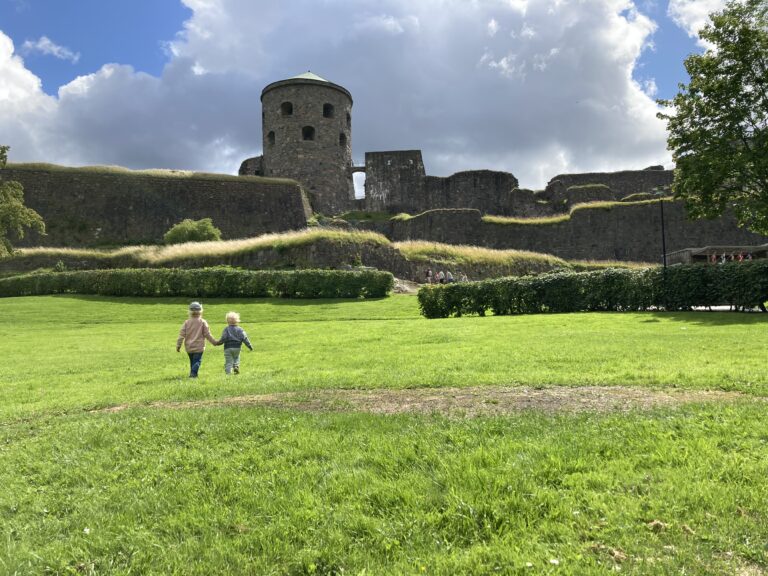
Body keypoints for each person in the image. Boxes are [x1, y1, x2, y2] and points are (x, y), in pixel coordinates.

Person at [176, 301, 218, 378]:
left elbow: (181, 335)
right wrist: (214, 342)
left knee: (192, 361)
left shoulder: (187, 322)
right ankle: (193, 373)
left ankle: (193, 374)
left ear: (189, 311)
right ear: (201, 311)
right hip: (199, 346)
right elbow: (207, 334)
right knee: (197, 361)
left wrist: (178, 346)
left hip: (189, 347)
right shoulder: (202, 322)